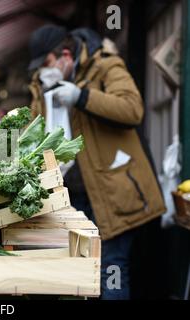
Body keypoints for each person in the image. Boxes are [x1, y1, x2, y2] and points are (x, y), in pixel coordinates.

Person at [28, 25, 165, 299]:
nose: (42, 72)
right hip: (72, 198)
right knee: (79, 275)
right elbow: (33, 130)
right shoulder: (41, 86)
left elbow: (132, 108)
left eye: (47, 64)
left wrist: (82, 97)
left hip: (112, 193)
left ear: (66, 54)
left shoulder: (106, 66)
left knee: (110, 270)